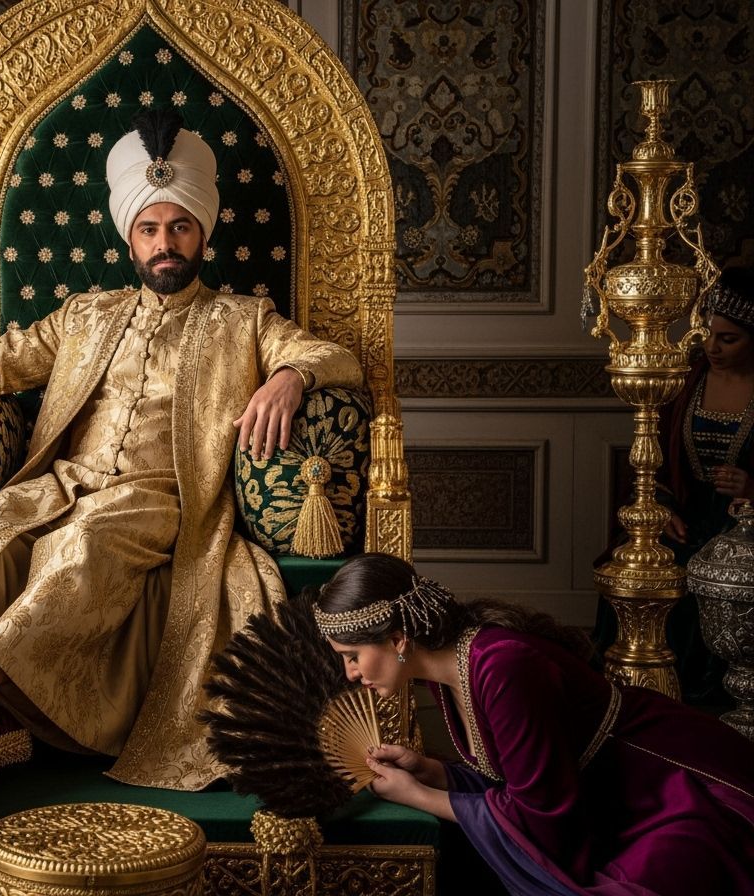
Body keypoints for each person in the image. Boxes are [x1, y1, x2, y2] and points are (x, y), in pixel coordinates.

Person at [0, 110, 364, 790]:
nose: (164, 242)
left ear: (202, 232)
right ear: (130, 240)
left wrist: (290, 376)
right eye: (149, 230)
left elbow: (333, 356)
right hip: (59, 483)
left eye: (178, 227)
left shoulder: (243, 320)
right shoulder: (87, 315)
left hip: (157, 500)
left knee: (83, 547)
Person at [316, 552, 754, 896]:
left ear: (397, 640)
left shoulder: (502, 666)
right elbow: (518, 778)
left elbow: (543, 816)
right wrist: (433, 771)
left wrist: (422, 796)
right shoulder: (445, 675)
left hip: (673, 789)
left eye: (352, 656)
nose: (352, 673)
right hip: (607, 801)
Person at [596, 266, 754, 704]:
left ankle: (712, 703)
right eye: (708, 334)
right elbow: (651, 462)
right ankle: (640, 694)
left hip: (744, 525)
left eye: (729, 339)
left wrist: (750, 487)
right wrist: (661, 509)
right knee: (640, 567)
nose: (712, 347)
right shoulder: (687, 381)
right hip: (685, 513)